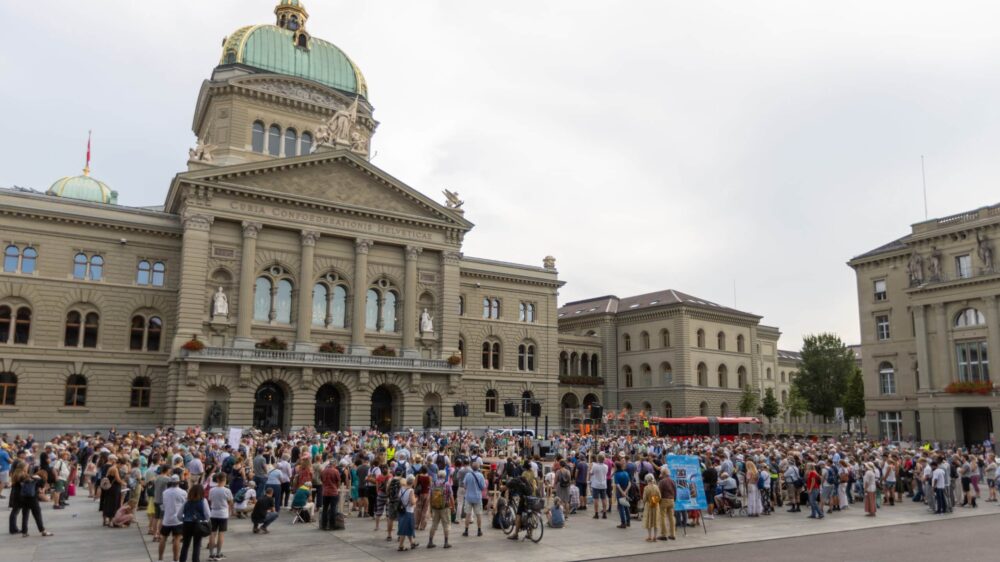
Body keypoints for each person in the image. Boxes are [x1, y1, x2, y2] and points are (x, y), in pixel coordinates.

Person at [10, 466, 52, 537]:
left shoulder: (27, 477)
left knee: (25, 515)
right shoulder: (38, 479)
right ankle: (43, 531)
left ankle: (24, 532)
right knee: (37, 515)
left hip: (24, 498)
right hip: (33, 499)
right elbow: (41, 489)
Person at [179, 484, 210, 562]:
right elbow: (208, 515)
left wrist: (184, 519)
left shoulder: (187, 501)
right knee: (196, 545)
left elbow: (179, 515)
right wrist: (204, 520)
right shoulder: (203, 501)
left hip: (187, 524)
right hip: (198, 525)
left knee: (185, 545)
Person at [159, 475, 186, 562]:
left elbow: (163, 505)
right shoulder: (183, 492)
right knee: (177, 539)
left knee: (163, 538)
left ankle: (160, 559)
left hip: (167, 519)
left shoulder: (165, 492)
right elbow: (185, 505)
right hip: (178, 519)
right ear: (178, 482)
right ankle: (175, 559)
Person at [207, 472, 233, 561]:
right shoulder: (227, 490)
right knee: (221, 534)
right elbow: (230, 502)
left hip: (213, 513)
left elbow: (210, 500)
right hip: (223, 514)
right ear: (225, 480)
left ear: (217, 479)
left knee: (212, 534)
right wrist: (230, 511)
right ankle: (218, 554)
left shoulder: (212, 490)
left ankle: (211, 554)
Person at [426, 469, 453, 549]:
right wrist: (453, 507)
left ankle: (430, 541)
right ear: (445, 476)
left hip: (435, 507)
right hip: (445, 507)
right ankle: (446, 542)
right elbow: (451, 496)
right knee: (446, 524)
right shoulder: (447, 484)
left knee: (434, 524)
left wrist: (430, 507)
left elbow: (430, 496)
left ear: (438, 475)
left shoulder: (433, 484)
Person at [462, 461, 486, 537]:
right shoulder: (481, 475)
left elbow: (464, 486)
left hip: (468, 497)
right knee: (478, 515)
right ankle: (479, 530)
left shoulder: (468, 475)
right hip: (477, 497)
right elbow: (483, 487)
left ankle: (466, 530)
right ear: (478, 468)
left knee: (468, 515)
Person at [397, 475, 418, 551]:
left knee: (408, 527)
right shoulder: (411, 490)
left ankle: (412, 543)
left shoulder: (402, 488)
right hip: (408, 511)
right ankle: (401, 546)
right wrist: (416, 499)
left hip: (402, 510)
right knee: (405, 529)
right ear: (413, 482)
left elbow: (399, 497)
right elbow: (412, 502)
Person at [320, 457, 341, 531]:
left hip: (325, 492)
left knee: (325, 509)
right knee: (333, 509)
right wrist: (336, 487)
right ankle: (332, 525)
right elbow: (338, 482)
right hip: (333, 492)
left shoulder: (323, 471)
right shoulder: (336, 471)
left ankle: (324, 525)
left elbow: (322, 480)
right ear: (334, 464)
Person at [656, 465, 676, 541]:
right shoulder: (672, 481)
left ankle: (664, 534)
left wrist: (657, 501)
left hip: (664, 500)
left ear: (663, 474)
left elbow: (659, 493)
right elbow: (675, 491)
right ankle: (672, 534)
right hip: (672, 500)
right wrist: (674, 499)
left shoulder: (662, 482)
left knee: (662, 517)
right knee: (671, 517)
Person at [641, 473, 661, 542]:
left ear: (647, 480)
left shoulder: (646, 488)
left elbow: (644, 499)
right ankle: (655, 537)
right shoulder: (656, 487)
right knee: (656, 521)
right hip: (656, 505)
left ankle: (649, 536)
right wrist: (655, 500)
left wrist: (646, 502)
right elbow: (660, 497)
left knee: (649, 520)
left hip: (649, 505)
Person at [590, 453, 609, 519]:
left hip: (596, 484)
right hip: (603, 484)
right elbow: (606, 473)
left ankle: (596, 513)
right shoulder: (606, 466)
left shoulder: (595, 466)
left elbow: (591, 473)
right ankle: (604, 513)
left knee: (596, 499)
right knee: (604, 499)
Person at [613, 462, 631, 529]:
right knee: (626, 506)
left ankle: (623, 523)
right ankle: (628, 521)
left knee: (621, 508)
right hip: (626, 490)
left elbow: (617, 485)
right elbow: (629, 483)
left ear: (616, 467)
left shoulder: (616, 474)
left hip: (620, 491)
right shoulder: (626, 473)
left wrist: (622, 492)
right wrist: (626, 491)